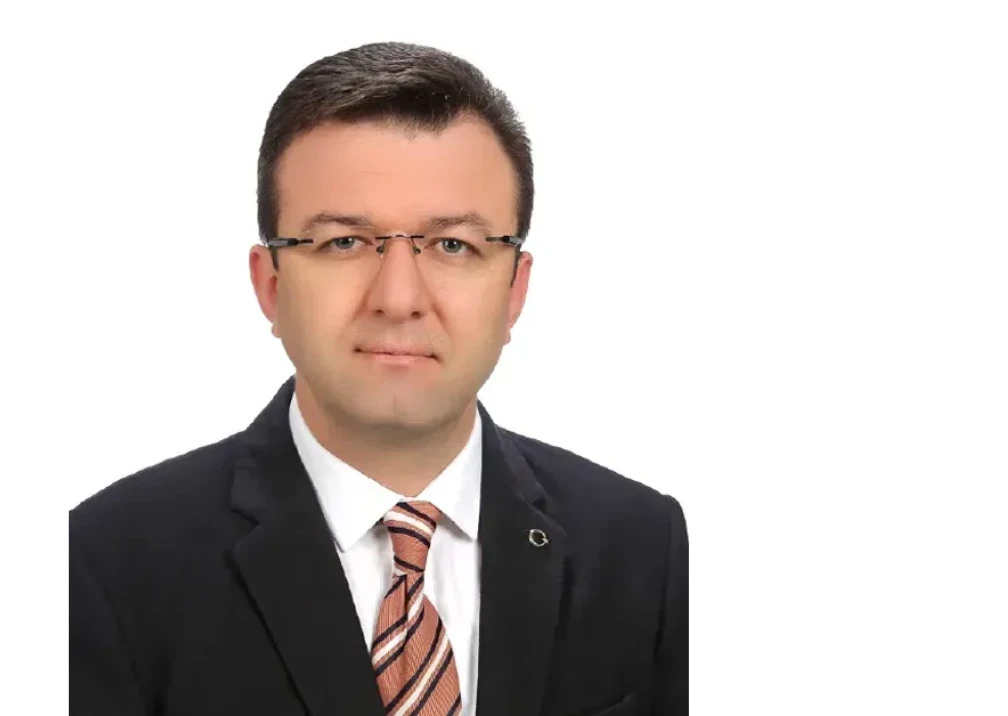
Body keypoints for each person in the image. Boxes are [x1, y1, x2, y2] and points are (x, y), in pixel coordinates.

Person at [65, 41, 694, 716]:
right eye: (344, 242)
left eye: (453, 245)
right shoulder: (103, 565)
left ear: (515, 290)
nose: (398, 299)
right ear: (271, 285)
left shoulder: (643, 549)